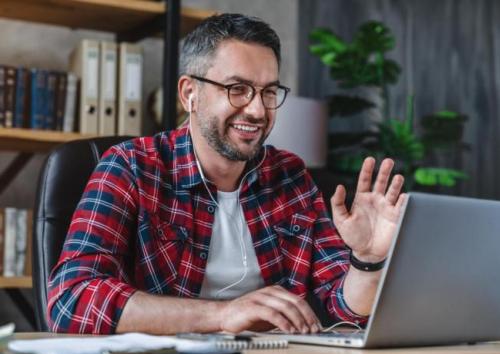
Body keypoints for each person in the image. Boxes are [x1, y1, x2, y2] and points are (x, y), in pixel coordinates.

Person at [47, 13, 405, 335]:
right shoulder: (131, 167)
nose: (256, 110)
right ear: (190, 93)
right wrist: (222, 316)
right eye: (237, 89)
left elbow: (342, 309)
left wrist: (368, 259)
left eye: (268, 92)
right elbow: (72, 300)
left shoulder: (291, 176)